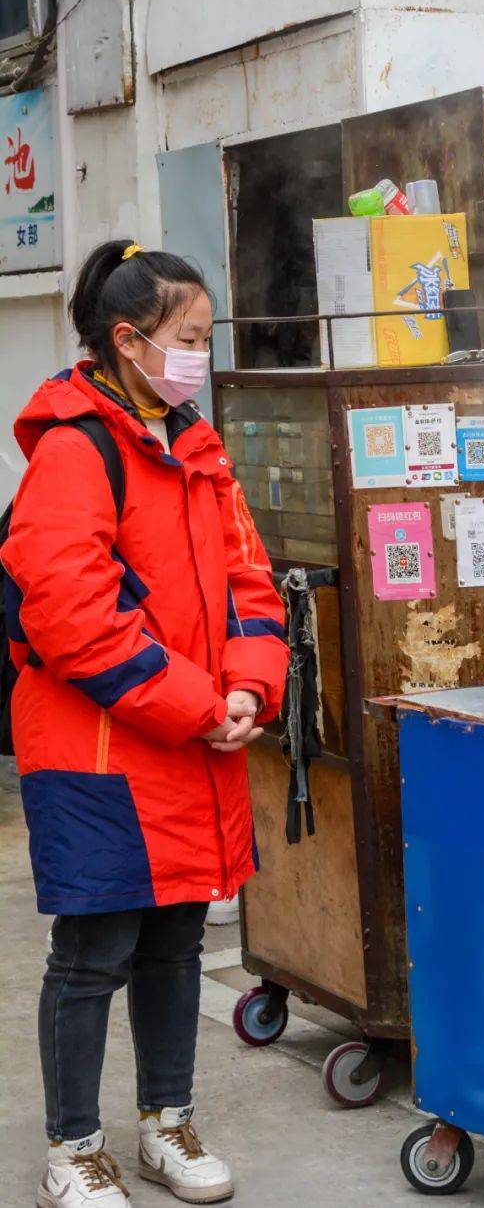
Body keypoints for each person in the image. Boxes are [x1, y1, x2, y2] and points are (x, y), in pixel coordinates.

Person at [3, 241, 288, 1207]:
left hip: (194, 742)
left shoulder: (197, 449)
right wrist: (200, 707)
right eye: (189, 338)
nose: (200, 355)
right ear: (128, 342)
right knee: (93, 954)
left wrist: (250, 687)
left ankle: (167, 1123)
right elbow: (70, 615)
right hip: (95, 753)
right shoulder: (75, 452)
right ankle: (73, 1150)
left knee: (172, 942)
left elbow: (251, 582)